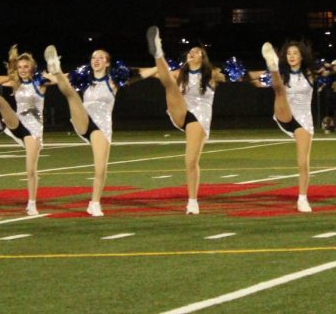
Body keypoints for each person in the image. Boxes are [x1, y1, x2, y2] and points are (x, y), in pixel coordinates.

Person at [137, 26, 242, 214]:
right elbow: (147, 74)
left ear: (203, 57)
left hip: (199, 118)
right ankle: (158, 52)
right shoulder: (180, 73)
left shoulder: (212, 74)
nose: (192, 53)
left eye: (197, 52)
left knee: (190, 161)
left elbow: (240, 77)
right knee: (169, 82)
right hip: (180, 112)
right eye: (190, 52)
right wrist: (117, 73)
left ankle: (192, 201)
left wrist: (266, 73)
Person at [43, 44, 130, 217]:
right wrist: (47, 74)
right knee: (72, 95)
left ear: (107, 63)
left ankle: (94, 203)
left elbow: (141, 73)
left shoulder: (113, 80)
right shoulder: (82, 78)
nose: (96, 60)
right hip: (83, 118)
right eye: (93, 57)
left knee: (100, 168)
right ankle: (56, 67)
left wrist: (159, 66)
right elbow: (55, 80)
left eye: (100, 57)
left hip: (101, 126)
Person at [0, 45, 48, 216]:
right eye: (20, 67)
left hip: (34, 131)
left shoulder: (41, 83)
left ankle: (31, 203)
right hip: (17, 123)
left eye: (26, 67)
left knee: (31, 169)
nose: (22, 70)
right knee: (0, 101)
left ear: (32, 67)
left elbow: (62, 79)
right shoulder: (15, 82)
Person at [257, 39, 320, 213]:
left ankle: (302, 198)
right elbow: (255, 80)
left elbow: (333, 69)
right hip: (284, 113)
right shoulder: (284, 75)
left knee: (303, 161)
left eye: (295, 53)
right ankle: (272, 66)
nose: (292, 56)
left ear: (302, 56)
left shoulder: (310, 73)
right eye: (289, 53)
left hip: (303, 121)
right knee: (279, 90)